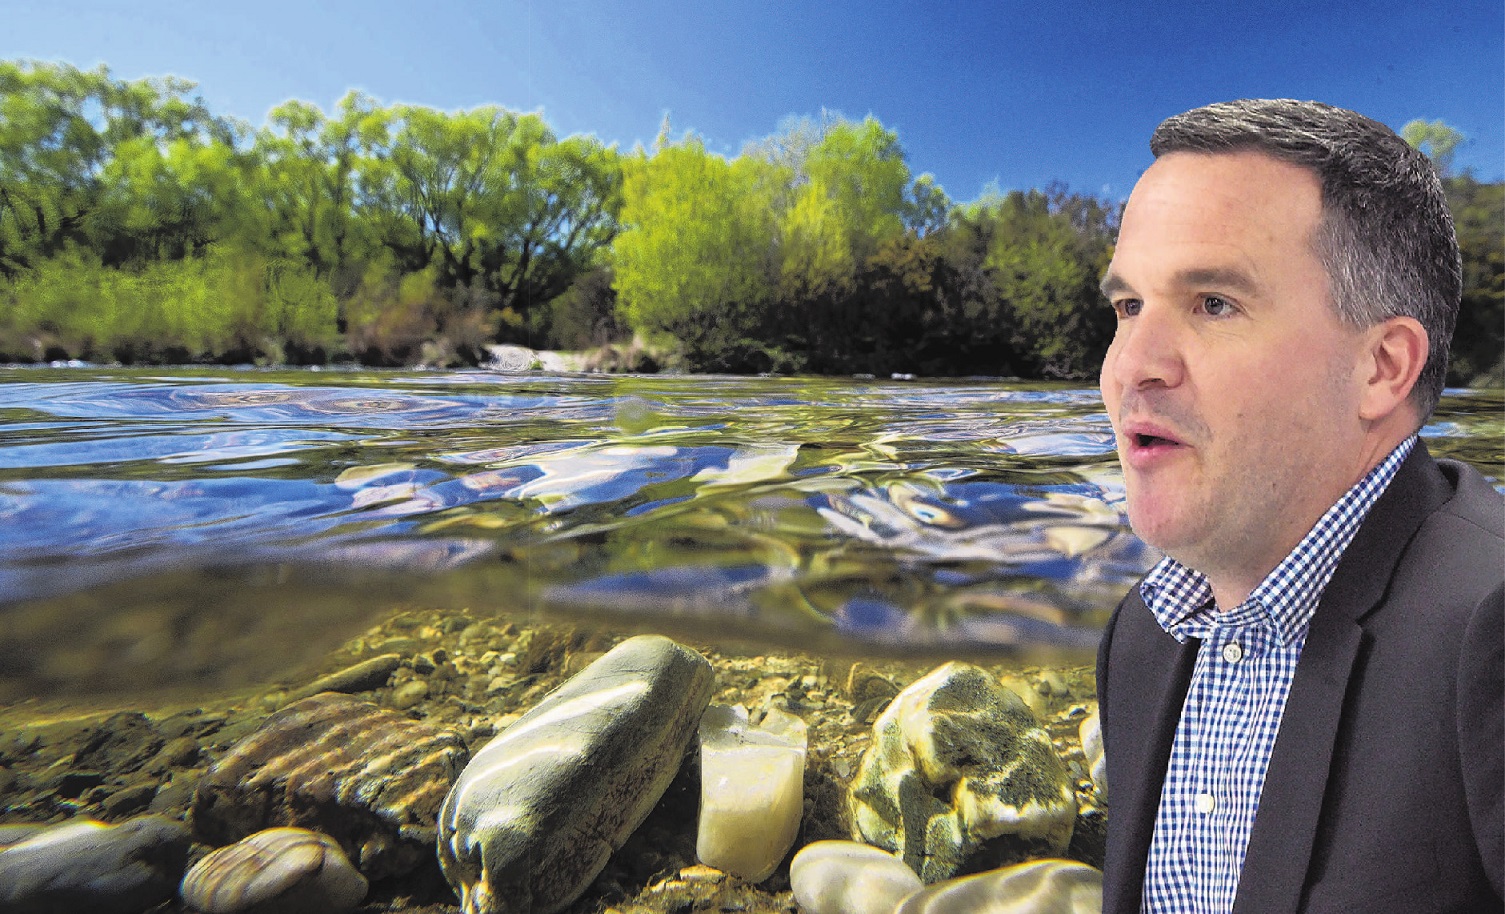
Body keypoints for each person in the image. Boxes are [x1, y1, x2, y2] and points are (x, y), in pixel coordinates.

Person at [1095, 98, 1503, 914]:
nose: (1130, 364)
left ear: (1382, 367)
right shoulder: (1138, 640)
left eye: (1213, 303)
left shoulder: (1490, 627)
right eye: (1127, 306)